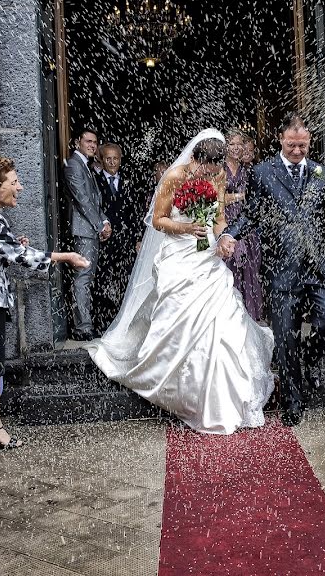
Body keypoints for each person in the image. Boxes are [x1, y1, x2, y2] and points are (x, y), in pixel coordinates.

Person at [87, 131, 274, 434]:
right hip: (179, 253)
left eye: (215, 171)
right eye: (207, 169)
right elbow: (158, 219)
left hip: (207, 257)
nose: (211, 175)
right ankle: (181, 390)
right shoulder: (174, 176)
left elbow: (220, 218)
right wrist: (187, 229)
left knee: (222, 322)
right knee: (178, 319)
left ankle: (223, 397)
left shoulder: (217, 178)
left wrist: (225, 237)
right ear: (196, 160)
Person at [218, 113, 325, 427]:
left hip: (319, 267)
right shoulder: (264, 172)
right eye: (292, 145)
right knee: (285, 337)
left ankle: (306, 361)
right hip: (282, 269)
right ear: (280, 140)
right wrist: (229, 234)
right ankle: (293, 401)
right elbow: (251, 212)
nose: (297, 151)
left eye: (303, 145)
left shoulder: (321, 171)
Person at [0, 157, 88, 449]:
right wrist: (63, 257)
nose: (20, 187)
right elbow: (16, 255)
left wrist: (14, 245)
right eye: (14, 182)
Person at [91, 143, 147, 335]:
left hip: (127, 242)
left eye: (116, 158)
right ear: (102, 159)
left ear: (120, 160)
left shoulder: (130, 182)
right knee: (103, 281)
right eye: (108, 158)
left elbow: (137, 213)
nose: (112, 162)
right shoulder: (95, 182)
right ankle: (103, 325)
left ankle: (126, 324)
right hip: (105, 241)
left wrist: (138, 239)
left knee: (128, 282)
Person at [64, 128, 111, 340]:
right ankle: (82, 327)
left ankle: (85, 324)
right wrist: (98, 224)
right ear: (77, 142)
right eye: (88, 141)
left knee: (86, 277)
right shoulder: (74, 164)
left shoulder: (86, 165)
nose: (92, 145)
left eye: (95, 142)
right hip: (83, 230)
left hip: (89, 228)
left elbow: (94, 199)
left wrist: (104, 220)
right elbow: (82, 199)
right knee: (82, 278)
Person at [222, 129, 263, 321]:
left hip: (246, 225)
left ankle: (249, 317)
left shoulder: (248, 171)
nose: (237, 148)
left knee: (249, 270)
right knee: (228, 268)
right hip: (226, 222)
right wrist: (239, 196)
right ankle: (230, 315)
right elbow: (214, 198)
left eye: (240, 144)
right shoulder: (219, 169)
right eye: (233, 144)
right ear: (225, 146)